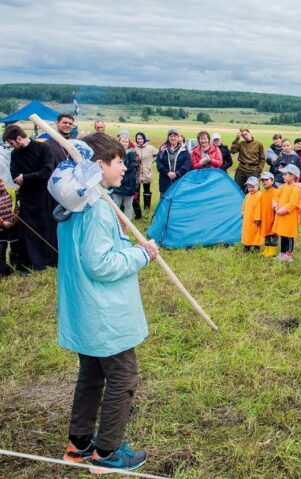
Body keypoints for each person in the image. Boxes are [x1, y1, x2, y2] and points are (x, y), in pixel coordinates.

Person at [51, 132, 159, 473]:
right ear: (99, 165)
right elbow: (101, 264)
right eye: (118, 162)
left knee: (92, 375)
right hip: (104, 313)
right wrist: (141, 255)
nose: (124, 168)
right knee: (123, 377)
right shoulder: (95, 208)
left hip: (85, 309)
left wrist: (129, 246)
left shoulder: (80, 202)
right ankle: (108, 453)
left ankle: (80, 443)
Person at [4, 124, 57, 271]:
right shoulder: (15, 154)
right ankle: (30, 262)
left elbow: (47, 172)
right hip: (27, 197)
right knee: (27, 230)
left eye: (12, 143)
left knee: (46, 227)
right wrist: (24, 178)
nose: (12, 146)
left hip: (44, 195)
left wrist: (25, 177)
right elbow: (14, 175)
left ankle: (48, 261)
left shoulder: (43, 148)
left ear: (19, 138)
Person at [271, 164, 301, 261]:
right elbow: (276, 196)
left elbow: (292, 203)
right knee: (283, 234)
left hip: (289, 217)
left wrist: (282, 210)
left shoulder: (295, 189)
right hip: (281, 216)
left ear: (292, 176)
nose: (283, 176)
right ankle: (282, 252)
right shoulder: (283, 186)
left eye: (285, 174)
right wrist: (275, 205)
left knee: (289, 235)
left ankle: (288, 255)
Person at [156, 128, 190, 195]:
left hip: (179, 181)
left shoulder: (184, 150)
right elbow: (159, 163)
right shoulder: (163, 149)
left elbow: (187, 164)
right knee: (165, 199)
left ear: (178, 137)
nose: (173, 138)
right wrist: (167, 172)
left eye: (175, 136)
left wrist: (177, 174)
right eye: (171, 136)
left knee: (178, 199)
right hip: (165, 180)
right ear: (168, 137)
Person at [111, 134, 137, 219]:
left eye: (126, 142)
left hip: (128, 183)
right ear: (119, 142)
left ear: (129, 143)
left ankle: (127, 221)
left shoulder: (131, 153)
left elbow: (133, 166)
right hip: (118, 181)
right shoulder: (115, 153)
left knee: (128, 204)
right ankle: (114, 220)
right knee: (116, 203)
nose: (124, 143)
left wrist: (123, 168)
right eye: (123, 141)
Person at [134, 132, 158, 214]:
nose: (140, 140)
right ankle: (137, 207)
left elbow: (158, 154)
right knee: (136, 191)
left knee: (146, 190)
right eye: (138, 139)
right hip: (137, 174)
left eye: (141, 138)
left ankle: (146, 207)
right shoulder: (135, 148)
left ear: (144, 139)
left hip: (147, 172)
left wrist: (152, 161)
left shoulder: (150, 148)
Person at [0, 177, 18, 276]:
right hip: (2, 227)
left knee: (15, 246)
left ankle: (14, 265)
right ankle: (4, 269)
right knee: (2, 248)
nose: (1, 185)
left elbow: (16, 207)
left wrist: (14, 219)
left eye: (1, 183)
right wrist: (3, 222)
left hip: (13, 225)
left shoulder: (11, 192)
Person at [259, 172, 279, 257]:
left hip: (273, 217)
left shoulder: (276, 191)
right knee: (266, 233)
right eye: (262, 180)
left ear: (272, 180)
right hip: (265, 217)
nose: (264, 182)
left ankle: (272, 250)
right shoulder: (263, 193)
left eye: (266, 180)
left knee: (273, 234)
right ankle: (267, 248)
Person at [241, 176, 263, 252]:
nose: (251, 189)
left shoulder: (259, 195)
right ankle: (247, 246)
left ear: (258, 186)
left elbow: (259, 207)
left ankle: (256, 247)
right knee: (247, 232)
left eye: (253, 187)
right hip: (247, 218)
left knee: (256, 233)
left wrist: (257, 218)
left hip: (255, 219)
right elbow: (244, 204)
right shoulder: (247, 195)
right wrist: (243, 213)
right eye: (249, 187)